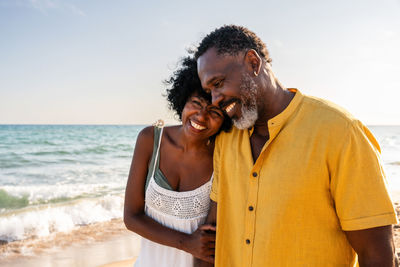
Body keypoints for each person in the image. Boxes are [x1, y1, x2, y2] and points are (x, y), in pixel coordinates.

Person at [194, 25, 399, 266]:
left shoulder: (340, 131)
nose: (215, 100)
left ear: (252, 62)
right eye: (209, 91)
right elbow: (212, 239)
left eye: (218, 84)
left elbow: (377, 255)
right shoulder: (226, 141)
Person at [123, 56, 230, 267]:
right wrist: (186, 243)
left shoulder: (222, 159)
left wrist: (194, 246)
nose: (201, 116)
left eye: (214, 112)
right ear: (182, 101)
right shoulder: (150, 139)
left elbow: (209, 245)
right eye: (196, 103)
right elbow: (131, 217)